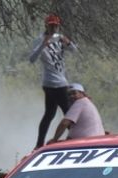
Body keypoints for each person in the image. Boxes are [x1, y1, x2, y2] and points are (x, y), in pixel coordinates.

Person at [29, 13, 78, 148]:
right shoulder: (39, 39)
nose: (54, 28)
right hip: (53, 83)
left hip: (60, 81)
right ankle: (76, 140)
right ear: (46, 25)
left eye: (56, 25)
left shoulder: (59, 38)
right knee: (69, 113)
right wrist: (42, 45)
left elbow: (74, 50)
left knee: (50, 114)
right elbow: (32, 59)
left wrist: (69, 43)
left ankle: (39, 144)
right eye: (51, 25)